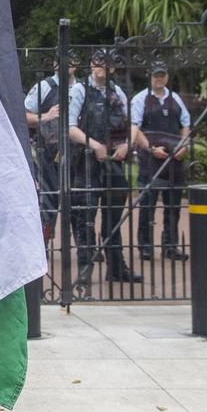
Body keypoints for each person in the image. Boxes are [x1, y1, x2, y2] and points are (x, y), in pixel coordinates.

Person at [68, 50, 143, 289]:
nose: (98, 67)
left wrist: (126, 145)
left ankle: (117, 268)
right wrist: (94, 145)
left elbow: (132, 123)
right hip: (88, 162)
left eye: (104, 64)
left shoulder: (116, 91)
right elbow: (69, 127)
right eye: (95, 63)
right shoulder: (80, 90)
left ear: (111, 68)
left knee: (113, 217)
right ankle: (85, 270)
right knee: (86, 218)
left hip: (114, 162)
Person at [131, 62, 191, 261]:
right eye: (156, 75)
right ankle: (145, 246)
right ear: (151, 76)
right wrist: (149, 148)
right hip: (151, 161)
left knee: (173, 206)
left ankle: (171, 245)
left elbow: (186, 123)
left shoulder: (175, 99)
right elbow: (134, 127)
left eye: (162, 75)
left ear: (166, 77)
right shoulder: (140, 99)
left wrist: (184, 145)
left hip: (174, 161)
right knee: (147, 205)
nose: (159, 78)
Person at [24, 56, 77, 243]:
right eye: (61, 59)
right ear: (54, 64)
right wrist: (45, 116)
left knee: (79, 201)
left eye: (71, 60)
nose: (66, 63)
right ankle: (42, 245)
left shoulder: (80, 88)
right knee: (49, 201)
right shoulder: (44, 87)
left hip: (77, 154)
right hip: (48, 152)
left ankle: (85, 251)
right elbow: (23, 115)